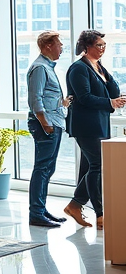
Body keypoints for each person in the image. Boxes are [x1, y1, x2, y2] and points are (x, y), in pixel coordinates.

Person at [65, 29, 125, 230]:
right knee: (98, 165)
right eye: (99, 45)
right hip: (85, 125)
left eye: (104, 46)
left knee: (89, 167)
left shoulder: (97, 66)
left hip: (100, 123)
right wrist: (110, 102)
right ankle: (100, 214)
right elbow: (84, 98)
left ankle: (75, 205)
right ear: (86, 47)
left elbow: (114, 91)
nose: (102, 49)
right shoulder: (78, 69)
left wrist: (106, 77)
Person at [26, 31, 73, 228]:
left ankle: (41, 209)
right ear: (47, 46)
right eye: (59, 44)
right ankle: (36, 213)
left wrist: (61, 103)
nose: (62, 48)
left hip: (53, 122)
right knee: (42, 168)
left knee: (48, 168)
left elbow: (46, 97)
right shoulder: (39, 68)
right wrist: (46, 124)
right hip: (46, 125)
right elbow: (35, 99)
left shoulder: (48, 67)